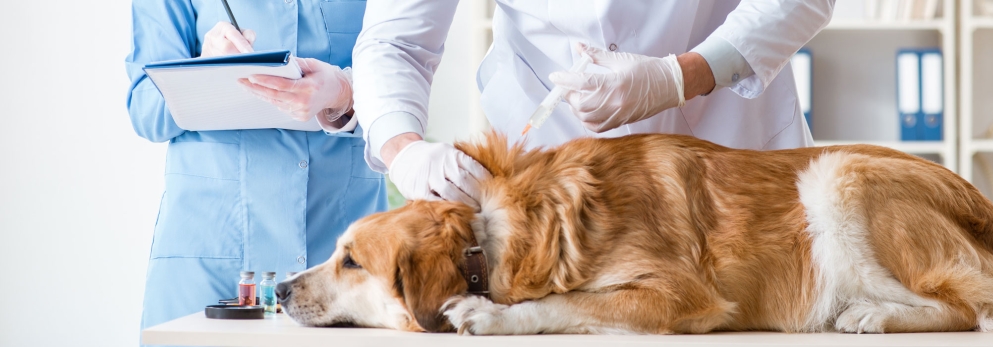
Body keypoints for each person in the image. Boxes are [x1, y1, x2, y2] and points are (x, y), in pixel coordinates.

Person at [343, 0, 835, 208]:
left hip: (729, 139)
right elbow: (395, 42)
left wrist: (679, 76)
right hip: (551, 158)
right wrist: (403, 149)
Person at [124, 0, 386, 338]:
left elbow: (407, 86)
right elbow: (146, 110)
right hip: (211, 250)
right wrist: (203, 70)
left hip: (342, 255)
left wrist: (345, 93)